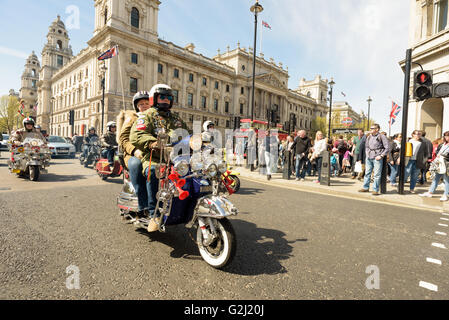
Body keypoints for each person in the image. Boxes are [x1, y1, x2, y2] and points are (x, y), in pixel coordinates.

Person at [130, 84, 188, 232]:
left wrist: (198, 141)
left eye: (169, 97)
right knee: (155, 171)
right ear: (154, 98)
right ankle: (153, 214)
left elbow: (188, 133)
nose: (166, 100)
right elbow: (137, 134)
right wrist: (152, 143)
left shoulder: (176, 118)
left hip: (175, 157)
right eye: (162, 97)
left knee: (194, 172)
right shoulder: (147, 115)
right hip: (154, 157)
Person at [117, 91, 150, 219]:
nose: (145, 105)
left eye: (147, 103)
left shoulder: (155, 118)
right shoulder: (132, 118)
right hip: (133, 153)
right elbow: (123, 138)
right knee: (136, 164)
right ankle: (143, 206)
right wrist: (134, 150)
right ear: (137, 106)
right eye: (141, 104)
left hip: (152, 153)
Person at [359, 124, 390, 196]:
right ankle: (365, 188)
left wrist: (381, 155)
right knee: (367, 173)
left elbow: (387, 147)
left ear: (377, 129)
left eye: (372, 128)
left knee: (376, 174)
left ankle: (375, 190)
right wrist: (367, 154)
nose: (371, 129)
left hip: (377, 157)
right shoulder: (369, 136)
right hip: (369, 157)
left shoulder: (382, 136)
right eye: (370, 128)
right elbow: (366, 146)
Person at [419, 131, 449, 201]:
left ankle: (445, 195)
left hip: (447, 164)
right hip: (439, 163)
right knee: (436, 178)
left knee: (446, 180)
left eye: (447, 136)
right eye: (445, 136)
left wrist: (443, 155)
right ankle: (430, 192)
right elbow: (438, 151)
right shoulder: (443, 144)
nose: (446, 137)